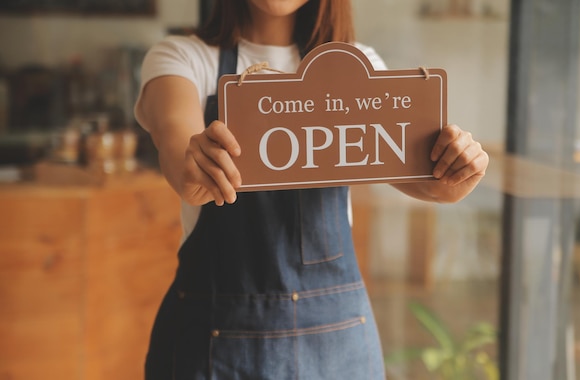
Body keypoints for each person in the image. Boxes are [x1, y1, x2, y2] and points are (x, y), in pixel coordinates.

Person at [134, 0, 489, 379]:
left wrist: (457, 172)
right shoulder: (182, 59)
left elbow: (422, 176)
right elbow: (179, 152)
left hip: (337, 343)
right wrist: (195, 167)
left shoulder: (357, 64)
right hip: (210, 343)